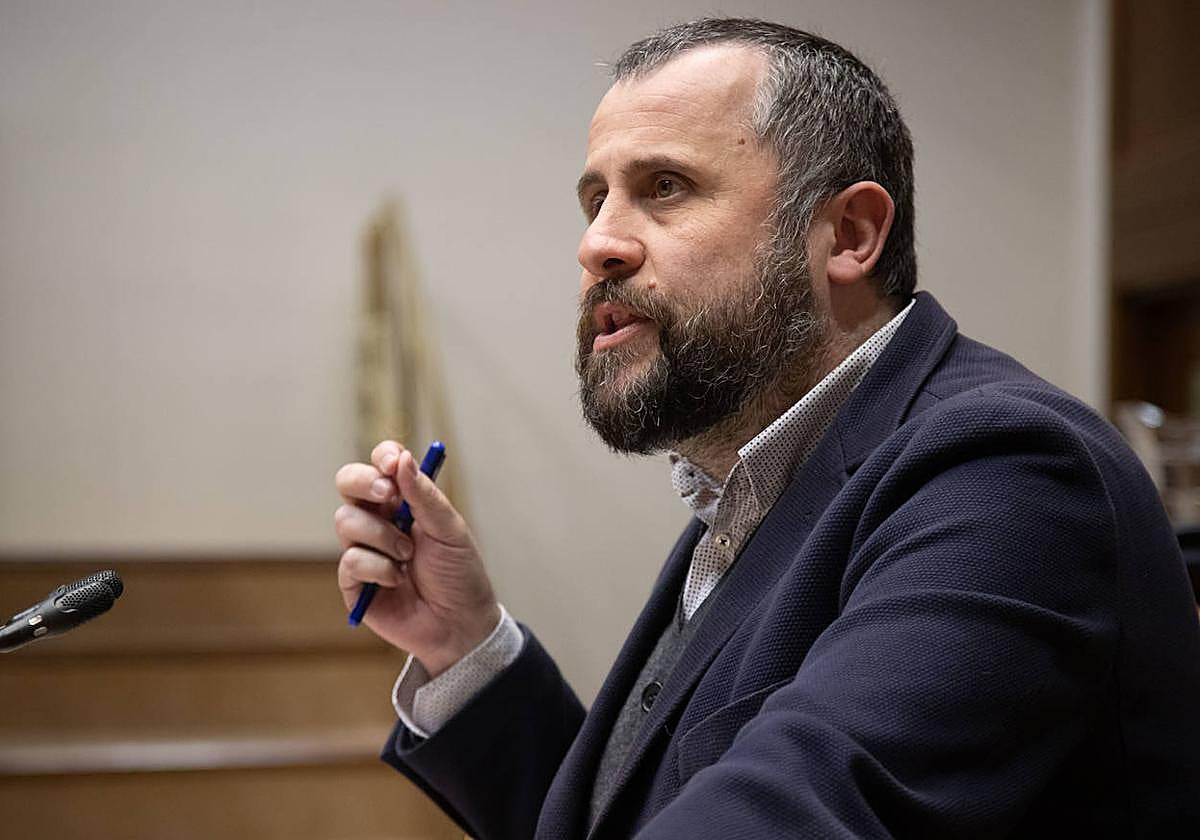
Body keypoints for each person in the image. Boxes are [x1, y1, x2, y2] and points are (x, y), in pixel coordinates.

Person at [333, 18, 1200, 840]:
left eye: (663, 188)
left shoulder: (1009, 474)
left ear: (849, 235)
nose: (598, 243)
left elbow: (792, 813)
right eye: (596, 199)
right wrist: (463, 643)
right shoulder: (763, 479)